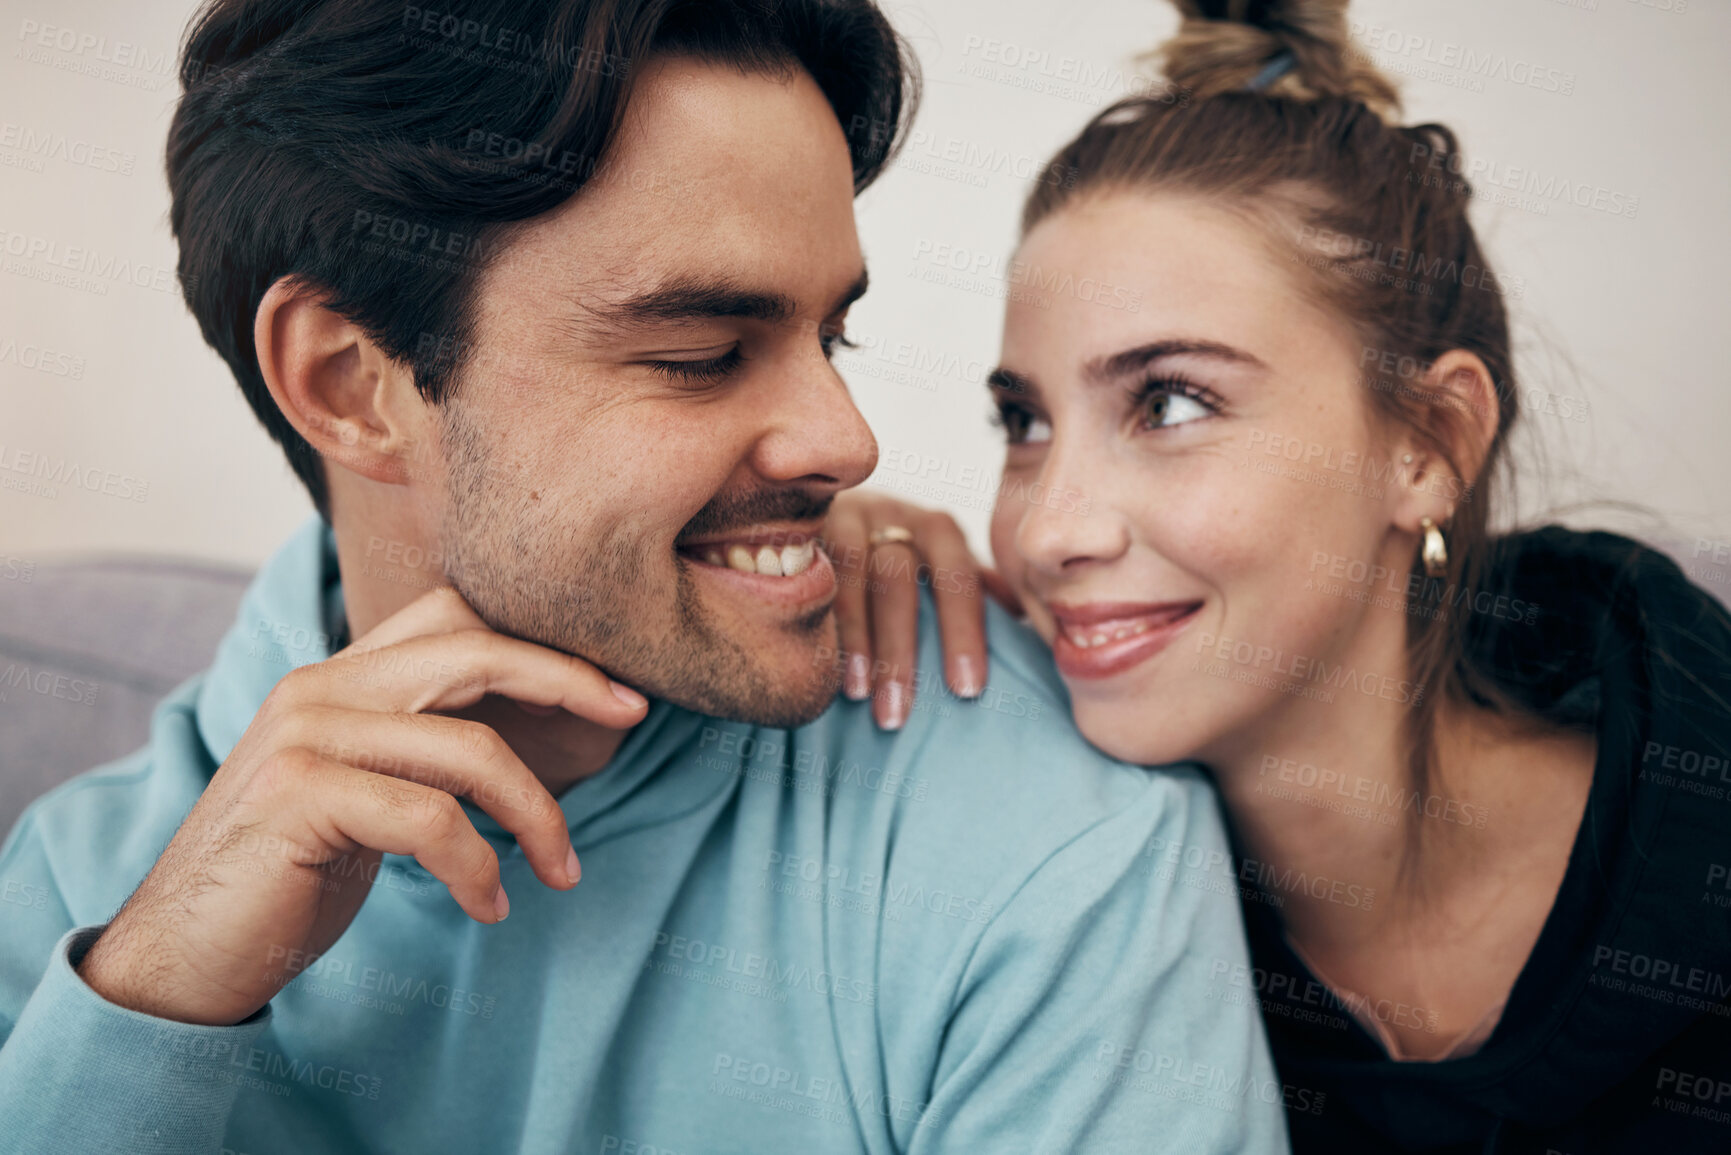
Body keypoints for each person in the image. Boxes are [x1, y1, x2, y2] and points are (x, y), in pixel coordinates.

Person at [0, 2, 1290, 1152]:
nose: (848, 442)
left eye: (828, 332)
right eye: (701, 351)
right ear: (350, 384)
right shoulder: (81, 909)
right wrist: (144, 1026)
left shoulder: (1042, 828)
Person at [828, 1, 1731, 1151]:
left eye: (1169, 402)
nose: (1049, 532)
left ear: (1431, 446)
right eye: (1026, 421)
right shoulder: (1070, 925)